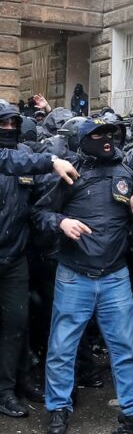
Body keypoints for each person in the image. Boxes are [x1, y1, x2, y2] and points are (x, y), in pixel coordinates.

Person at [32, 118, 133, 434]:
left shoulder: (126, 173)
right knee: (62, 348)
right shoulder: (69, 173)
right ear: (80, 139)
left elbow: (129, 216)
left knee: (124, 349)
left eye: (109, 133)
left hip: (115, 277)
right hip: (74, 276)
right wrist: (61, 222)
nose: (105, 139)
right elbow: (39, 213)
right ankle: (58, 410)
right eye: (96, 134)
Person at [0, 105, 47, 419]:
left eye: (13, 122)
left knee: (17, 324)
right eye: (3, 123)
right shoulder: (17, 159)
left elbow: (38, 204)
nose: (9, 127)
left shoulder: (25, 157)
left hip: (15, 257)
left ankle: (9, 387)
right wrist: (51, 161)